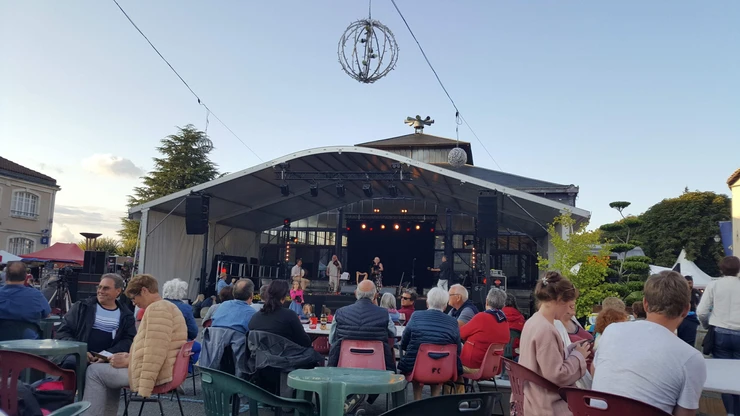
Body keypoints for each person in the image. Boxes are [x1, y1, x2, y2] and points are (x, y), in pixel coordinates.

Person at [593, 271, 706, 416]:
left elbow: (595, 373)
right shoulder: (691, 358)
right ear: (686, 309)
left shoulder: (611, 331)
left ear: (645, 304)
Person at [82, 274, 187, 416]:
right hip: (166, 369)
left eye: (134, 298)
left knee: (94, 372)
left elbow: (155, 352)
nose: (133, 303)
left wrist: (128, 361)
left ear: (144, 291)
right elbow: (156, 346)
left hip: (157, 373)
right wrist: (129, 356)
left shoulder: (157, 310)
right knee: (107, 370)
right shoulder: (169, 307)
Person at [518, 271, 590, 416]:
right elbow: (558, 376)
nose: (571, 311)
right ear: (560, 300)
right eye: (569, 305)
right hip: (547, 405)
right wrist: (578, 356)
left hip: (531, 398)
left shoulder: (533, 321)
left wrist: (571, 350)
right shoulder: (547, 330)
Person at [328, 280, 396, 413]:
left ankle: (353, 398)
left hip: (345, 366)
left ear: (355, 293)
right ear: (375, 296)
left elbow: (331, 339)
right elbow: (393, 333)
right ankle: (366, 398)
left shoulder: (340, 312)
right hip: (377, 368)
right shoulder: (383, 313)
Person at [55, 273, 135, 368]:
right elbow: (63, 332)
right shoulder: (81, 307)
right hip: (77, 354)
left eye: (106, 288)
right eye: (99, 287)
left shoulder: (126, 315)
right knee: (71, 364)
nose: (100, 291)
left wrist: (108, 354)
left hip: (110, 358)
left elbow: (128, 340)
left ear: (118, 291)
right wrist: (81, 350)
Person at [399, 287, 462, 400]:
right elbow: (458, 350)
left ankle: (417, 401)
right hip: (443, 371)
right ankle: (435, 400)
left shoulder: (416, 316)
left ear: (427, 303)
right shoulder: (453, 322)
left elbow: (404, 343)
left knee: (417, 363)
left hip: (417, 370)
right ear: (445, 305)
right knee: (438, 361)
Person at [698, 255, 740, 415]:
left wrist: (707, 325)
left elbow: (701, 311)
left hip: (720, 332)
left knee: (725, 375)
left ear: (721, 269)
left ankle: (730, 412)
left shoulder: (714, 285)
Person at [248, 280, 312, 347]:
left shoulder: (255, 317)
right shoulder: (290, 315)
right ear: (283, 298)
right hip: (286, 355)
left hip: (261, 356)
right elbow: (305, 342)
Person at [460, 288, 510, 372]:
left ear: (486, 301)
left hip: (473, 366)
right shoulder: (504, 321)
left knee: (450, 365)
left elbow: (461, 333)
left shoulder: (482, 317)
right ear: (503, 305)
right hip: (493, 368)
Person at [0, 261, 51, 339]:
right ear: (25, 277)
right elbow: (47, 315)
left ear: (6, 276)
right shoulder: (36, 295)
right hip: (27, 344)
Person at [677, 275, 701, 347]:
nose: (688, 285)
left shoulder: (696, 293)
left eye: (690, 283)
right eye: (687, 283)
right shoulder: (679, 293)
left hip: (694, 319)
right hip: (682, 318)